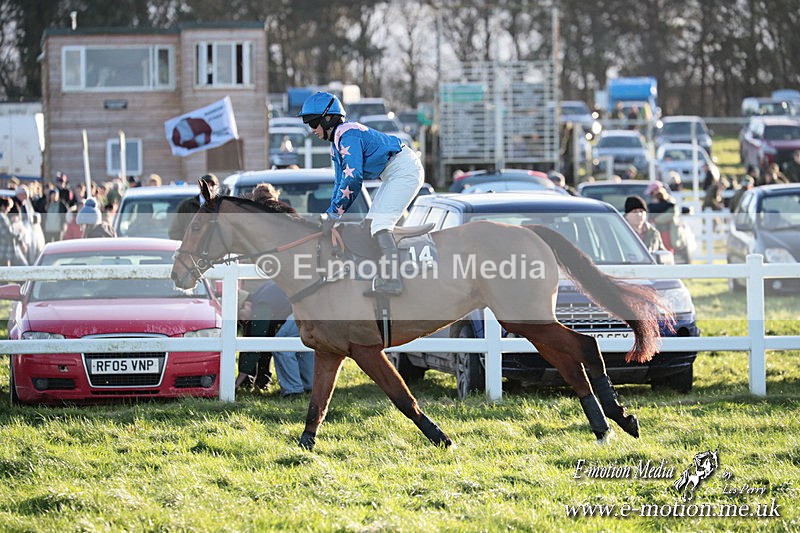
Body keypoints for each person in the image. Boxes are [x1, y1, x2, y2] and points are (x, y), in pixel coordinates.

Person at [298, 91, 424, 296]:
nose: (311, 130)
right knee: (370, 224)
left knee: (381, 225)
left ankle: (394, 281)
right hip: (393, 172)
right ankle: (379, 274)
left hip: (405, 169)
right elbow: (340, 182)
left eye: (313, 123)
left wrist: (333, 214)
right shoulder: (336, 143)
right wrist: (330, 213)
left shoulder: (348, 135)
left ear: (328, 119)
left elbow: (353, 179)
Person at [238, 280, 314, 397]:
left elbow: (256, 344)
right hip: (310, 305)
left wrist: (236, 383)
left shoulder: (261, 307)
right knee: (302, 344)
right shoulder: (261, 294)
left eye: (240, 315)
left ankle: (293, 390)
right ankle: (309, 386)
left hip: (303, 308)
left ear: (247, 304)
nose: (242, 321)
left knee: (281, 345)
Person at [168, 173, 219, 240]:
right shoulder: (186, 205)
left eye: (212, 185)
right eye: (205, 185)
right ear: (199, 186)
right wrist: (188, 243)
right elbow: (174, 231)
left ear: (217, 187)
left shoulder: (223, 207)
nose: (209, 188)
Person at [0, 196, 29, 266]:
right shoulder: (2, 217)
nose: (9, 210)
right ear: (3, 207)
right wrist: (20, 234)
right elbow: (8, 233)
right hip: (4, 250)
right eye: (8, 207)